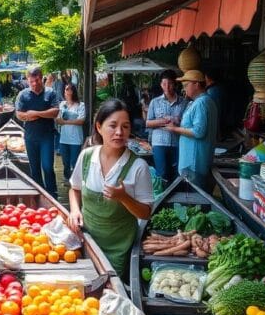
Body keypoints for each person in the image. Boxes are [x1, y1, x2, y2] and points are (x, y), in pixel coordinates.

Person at [67, 99, 153, 278]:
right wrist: (74, 211)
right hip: (86, 241)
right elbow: (74, 189)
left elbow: (145, 213)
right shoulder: (87, 156)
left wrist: (123, 197)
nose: (119, 132)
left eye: (125, 127)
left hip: (119, 249)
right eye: (112, 126)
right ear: (99, 127)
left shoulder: (138, 166)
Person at [15, 66, 60, 197]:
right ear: (28, 81)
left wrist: (35, 114)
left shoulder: (50, 93)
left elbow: (55, 112)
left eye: (37, 81)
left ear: (42, 78)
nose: (34, 84)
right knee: (34, 169)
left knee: (47, 167)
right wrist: (42, 114)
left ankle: (53, 195)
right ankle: (39, 194)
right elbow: (19, 114)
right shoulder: (23, 95)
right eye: (31, 81)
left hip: (47, 136)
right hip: (30, 137)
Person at [171, 70, 218, 188]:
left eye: (186, 85)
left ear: (197, 84)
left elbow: (198, 132)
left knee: (195, 199)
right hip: (196, 162)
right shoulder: (203, 101)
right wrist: (178, 122)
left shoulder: (201, 103)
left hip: (194, 163)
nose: (184, 89)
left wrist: (175, 129)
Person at [145, 69, 186, 184]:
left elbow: (186, 123)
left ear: (175, 84)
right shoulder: (155, 102)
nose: (167, 87)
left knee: (177, 174)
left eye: (170, 84)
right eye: (164, 84)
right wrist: (165, 121)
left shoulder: (183, 102)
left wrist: (177, 121)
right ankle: (162, 200)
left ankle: (176, 201)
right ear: (161, 85)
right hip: (159, 143)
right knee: (162, 174)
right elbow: (148, 123)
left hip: (177, 143)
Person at [57, 83, 86, 182]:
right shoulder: (62, 105)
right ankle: (66, 180)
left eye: (70, 89)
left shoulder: (80, 105)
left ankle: (75, 181)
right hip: (64, 138)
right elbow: (58, 120)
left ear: (74, 92)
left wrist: (65, 122)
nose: (68, 92)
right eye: (66, 89)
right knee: (65, 162)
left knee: (74, 161)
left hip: (76, 139)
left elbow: (81, 121)